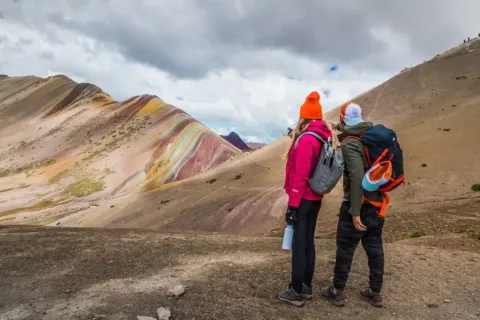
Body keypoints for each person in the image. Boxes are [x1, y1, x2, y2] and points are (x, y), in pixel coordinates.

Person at [321, 102, 386, 307]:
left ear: (343, 118)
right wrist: (338, 127)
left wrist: (355, 211)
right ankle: (375, 292)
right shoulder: (370, 135)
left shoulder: (350, 143)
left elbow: (357, 175)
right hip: (377, 202)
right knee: (374, 247)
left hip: (358, 203)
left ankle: (337, 290)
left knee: (346, 248)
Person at [278, 91, 333, 307]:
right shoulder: (323, 136)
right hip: (315, 197)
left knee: (299, 244)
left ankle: (296, 290)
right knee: (308, 241)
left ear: (304, 117)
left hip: (303, 198)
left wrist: (292, 205)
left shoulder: (307, 139)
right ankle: (307, 286)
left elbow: (300, 175)